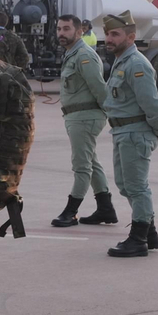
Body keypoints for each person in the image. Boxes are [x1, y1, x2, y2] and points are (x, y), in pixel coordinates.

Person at [102, 11, 158, 258]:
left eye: (115, 34)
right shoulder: (122, 60)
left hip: (135, 132)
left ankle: (138, 238)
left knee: (137, 187)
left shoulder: (137, 64)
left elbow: (151, 103)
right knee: (125, 185)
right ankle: (150, 234)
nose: (109, 38)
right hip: (122, 131)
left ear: (131, 37)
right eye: (108, 34)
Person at [49, 14, 116, 228]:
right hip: (76, 116)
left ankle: (70, 211)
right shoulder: (72, 54)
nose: (61, 33)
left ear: (79, 32)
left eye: (66, 29)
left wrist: (112, 115)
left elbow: (99, 87)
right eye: (59, 29)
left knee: (81, 166)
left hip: (85, 117)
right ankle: (106, 209)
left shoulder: (84, 55)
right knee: (91, 163)